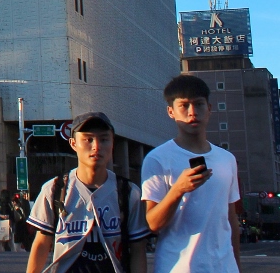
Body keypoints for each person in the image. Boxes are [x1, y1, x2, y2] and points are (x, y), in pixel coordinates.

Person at [26, 111, 149, 273]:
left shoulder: (128, 192)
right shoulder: (54, 189)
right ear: (73, 143)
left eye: (104, 139)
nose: (96, 146)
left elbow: (138, 249)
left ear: (112, 143)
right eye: (88, 139)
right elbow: (42, 243)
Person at [142, 75, 242, 273]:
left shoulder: (227, 159)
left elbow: (230, 220)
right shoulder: (157, 159)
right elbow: (152, 224)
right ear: (171, 111)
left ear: (209, 109)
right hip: (177, 267)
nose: (192, 112)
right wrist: (178, 190)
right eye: (184, 106)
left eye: (199, 104)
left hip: (224, 267)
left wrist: (237, 266)